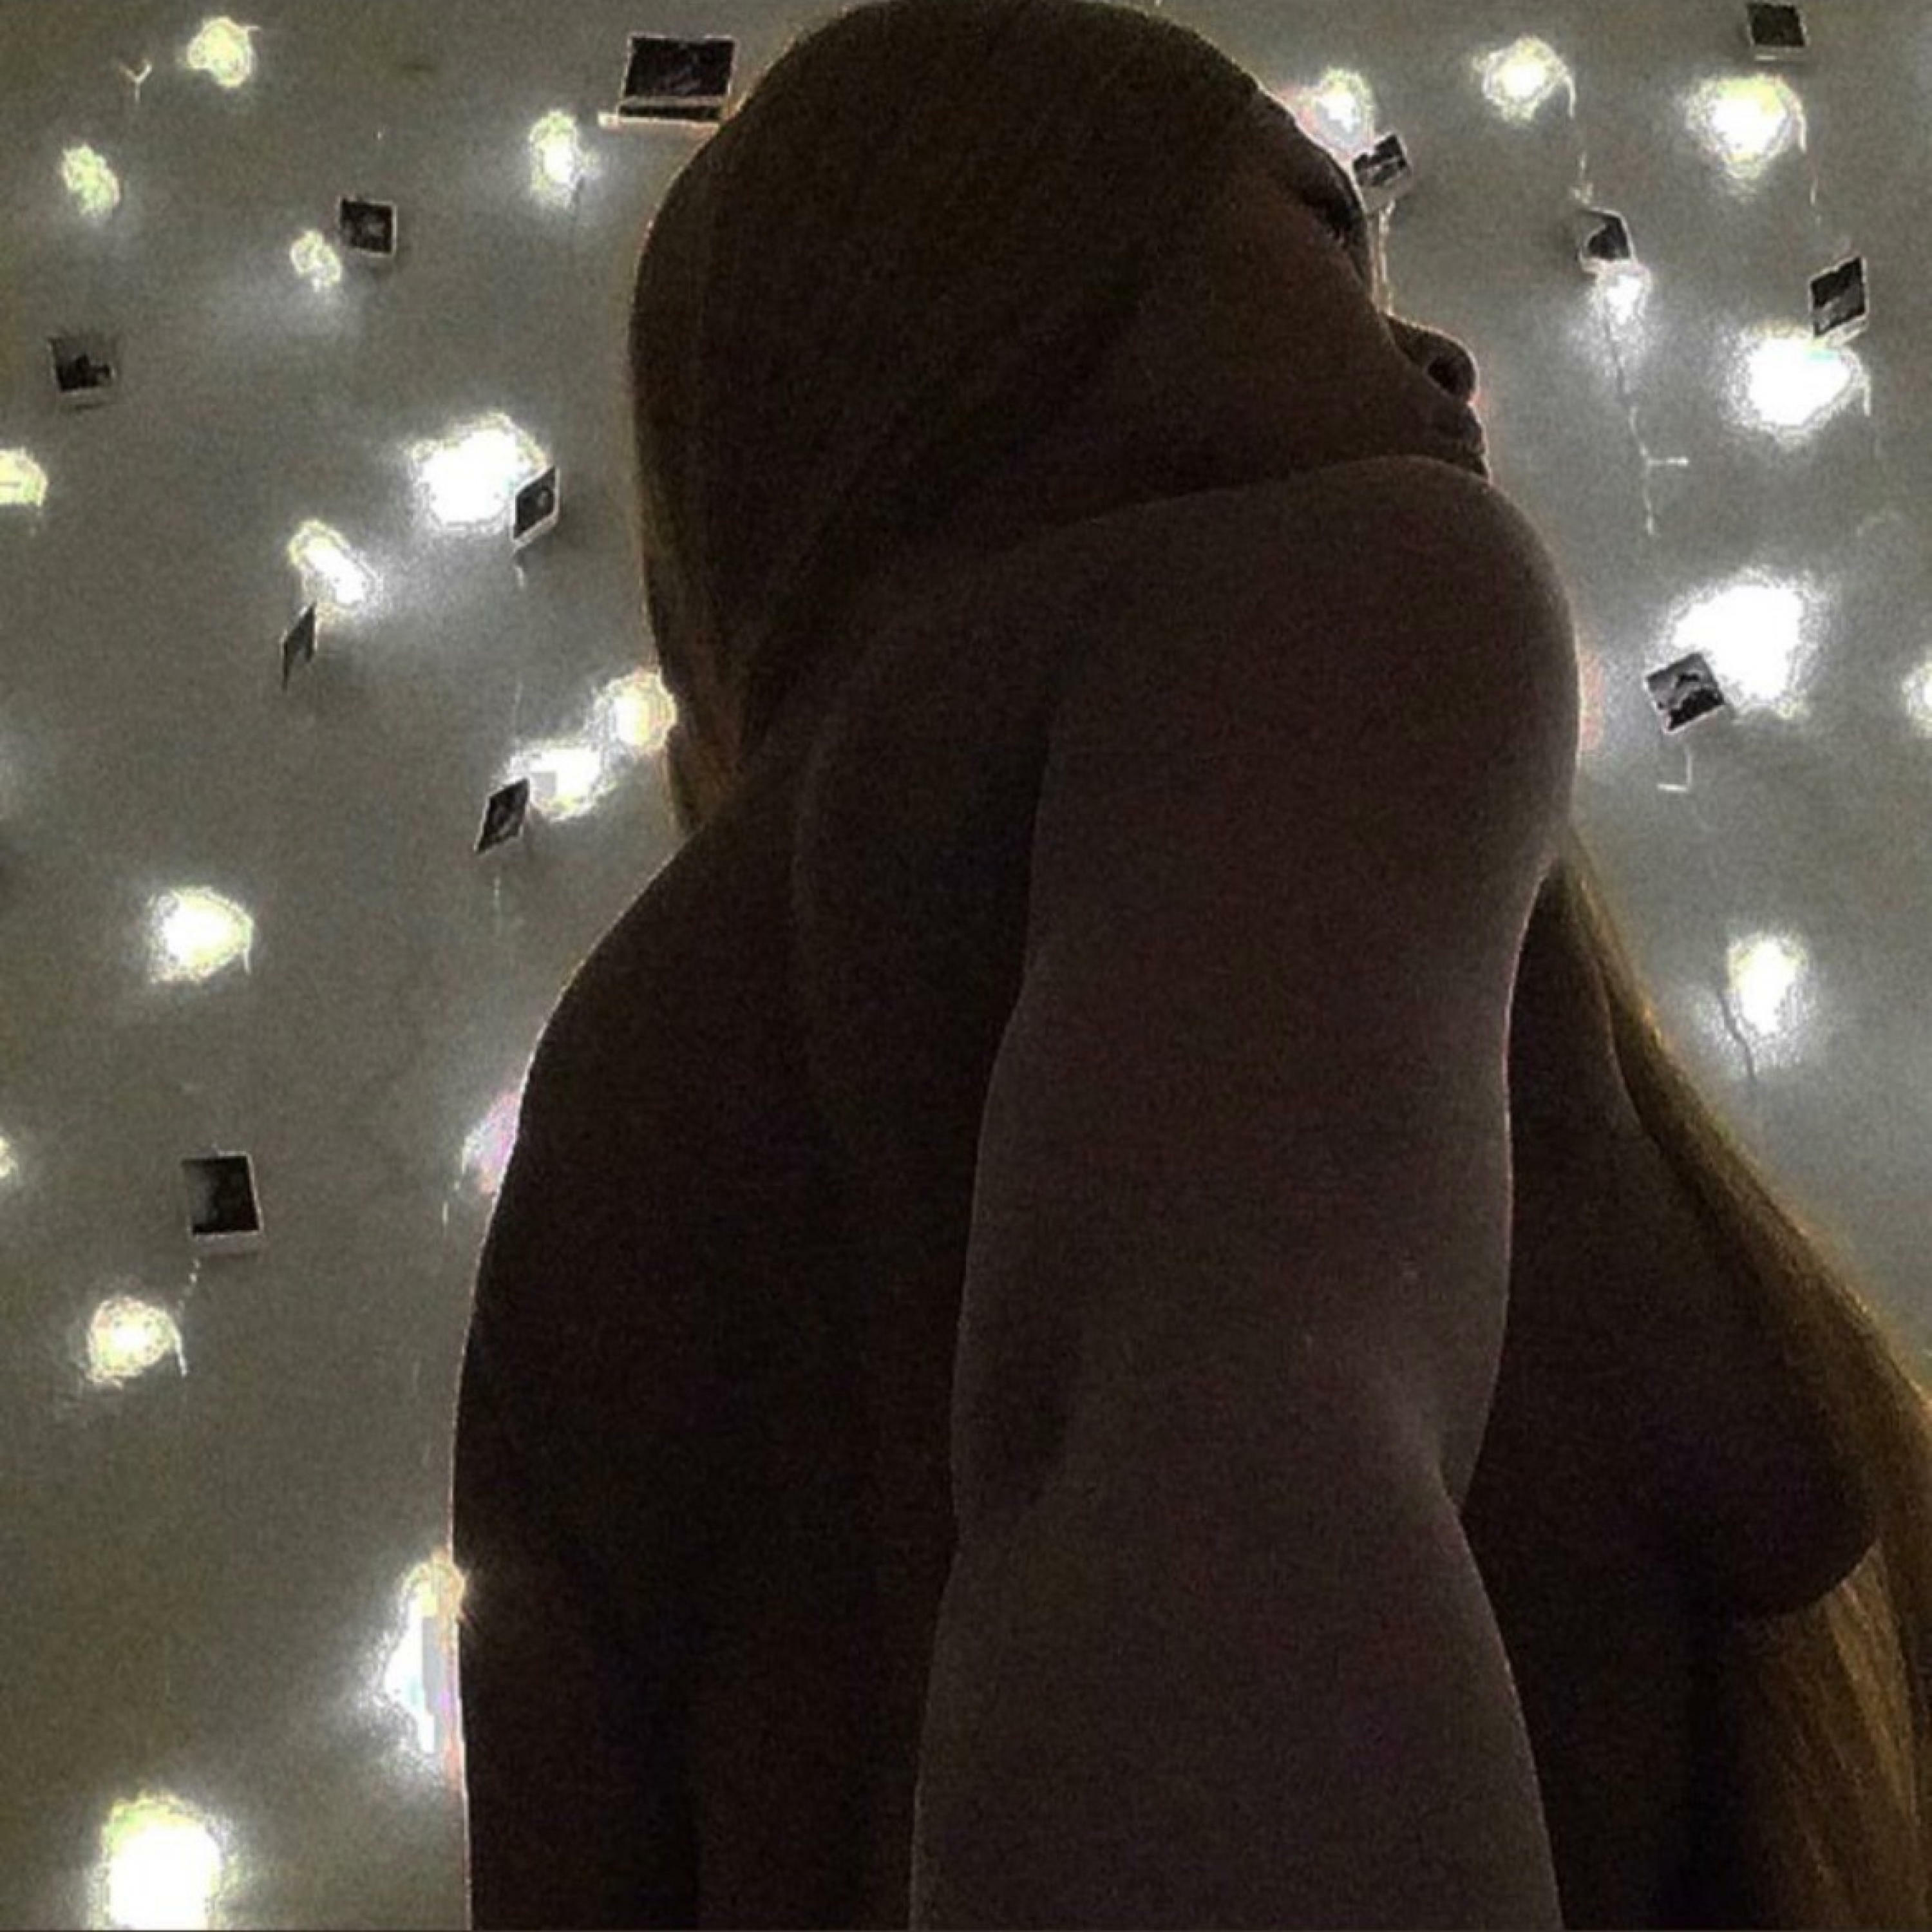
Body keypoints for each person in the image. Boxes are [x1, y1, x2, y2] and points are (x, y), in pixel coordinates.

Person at [453, 3, 1932, 1925]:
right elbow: (1212, 1479)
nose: (1440, 355)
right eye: (1323, 228)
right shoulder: (1322, 608)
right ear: (1021, 259)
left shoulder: (613, 1063)